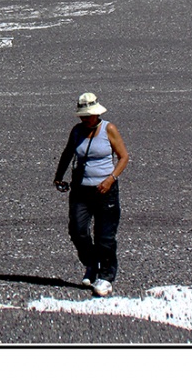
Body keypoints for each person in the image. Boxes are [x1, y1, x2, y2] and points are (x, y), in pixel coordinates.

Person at [52, 92, 129, 297]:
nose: (85, 119)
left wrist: (110, 178)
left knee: (105, 236)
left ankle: (105, 277)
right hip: (80, 190)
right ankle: (91, 263)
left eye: (88, 115)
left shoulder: (108, 129)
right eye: (82, 115)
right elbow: (68, 153)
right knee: (77, 231)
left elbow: (123, 157)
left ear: (96, 113)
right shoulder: (77, 131)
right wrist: (59, 176)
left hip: (105, 190)